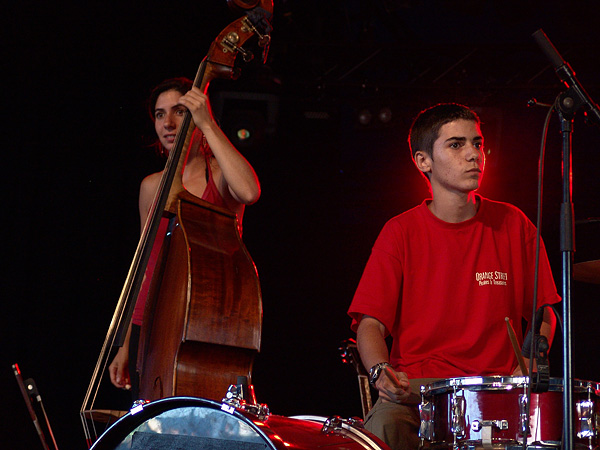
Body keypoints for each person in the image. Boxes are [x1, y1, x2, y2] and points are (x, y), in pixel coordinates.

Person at [347, 103, 560, 450]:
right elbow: (370, 325)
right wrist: (380, 372)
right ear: (423, 161)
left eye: (477, 143)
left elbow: (544, 313)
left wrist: (532, 359)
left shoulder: (514, 224)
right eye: (456, 145)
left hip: (494, 394)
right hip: (419, 393)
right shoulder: (399, 232)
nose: (473, 155)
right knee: (382, 428)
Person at [109, 77, 261, 393]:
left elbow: (248, 191)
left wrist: (207, 124)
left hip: (210, 325)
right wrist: (124, 343)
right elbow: (144, 267)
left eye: (179, 111)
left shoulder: (218, 175)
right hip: (151, 325)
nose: (168, 122)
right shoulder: (150, 186)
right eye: (160, 114)